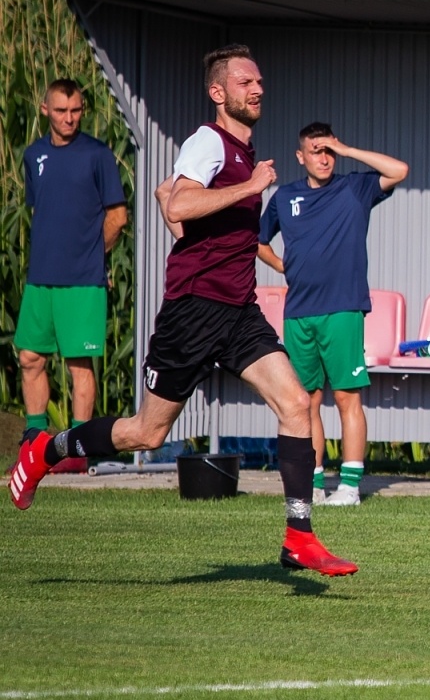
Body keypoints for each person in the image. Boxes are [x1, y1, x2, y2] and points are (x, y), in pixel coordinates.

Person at [7, 44, 358, 577]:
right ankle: (47, 449)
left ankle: (299, 536)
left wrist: (196, 198)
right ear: (219, 93)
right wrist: (247, 186)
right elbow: (179, 203)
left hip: (238, 311)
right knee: (146, 433)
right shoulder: (208, 142)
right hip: (192, 312)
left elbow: (178, 207)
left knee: (297, 405)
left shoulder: (241, 152)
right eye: (244, 82)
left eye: (259, 80)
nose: (257, 88)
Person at [258, 123, 408, 506]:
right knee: (305, 402)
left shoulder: (355, 189)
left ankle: (350, 487)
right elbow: (256, 241)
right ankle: (314, 483)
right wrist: (281, 265)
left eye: (329, 151)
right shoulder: (285, 197)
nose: (324, 158)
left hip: (342, 309)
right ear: (300, 156)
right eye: (317, 150)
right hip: (299, 313)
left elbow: (399, 171)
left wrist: (346, 147)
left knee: (346, 399)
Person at [16, 79, 128, 472]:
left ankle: (76, 453)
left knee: (79, 364)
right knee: (30, 357)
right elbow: (41, 212)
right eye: (61, 110)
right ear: (45, 109)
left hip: (82, 280)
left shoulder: (97, 155)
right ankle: (34, 439)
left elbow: (117, 216)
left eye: (76, 110)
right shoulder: (34, 155)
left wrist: (94, 257)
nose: (70, 118)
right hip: (41, 278)